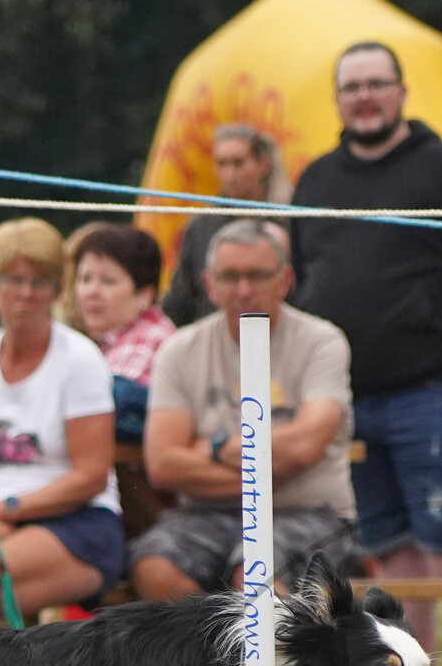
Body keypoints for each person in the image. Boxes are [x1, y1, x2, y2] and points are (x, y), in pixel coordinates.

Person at [288, 40, 442, 666]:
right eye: (350, 86)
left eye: (376, 84)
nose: (364, 97)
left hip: (433, 387)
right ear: (337, 101)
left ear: (401, 91)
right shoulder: (316, 180)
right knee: (389, 547)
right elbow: (304, 271)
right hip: (350, 399)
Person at [130, 220, 356, 599]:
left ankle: (284, 657)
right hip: (205, 514)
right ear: (208, 283)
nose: (244, 290)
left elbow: (306, 445)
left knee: (255, 573)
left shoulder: (323, 342)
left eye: (257, 276)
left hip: (306, 511)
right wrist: (269, 467)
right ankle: (216, 656)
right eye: (230, 276)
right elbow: (163, 463)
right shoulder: (180, 350)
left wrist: (215, 447)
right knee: (154, 566)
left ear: (285, 280)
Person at [0, 220, 125, 624]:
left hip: (76, 519)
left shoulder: (79, 359)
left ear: (57, 289)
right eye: (14, 280)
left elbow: (91, 476)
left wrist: (5, 506)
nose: (26, 294)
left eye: (41, 282)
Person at [161, 123, 285, 327]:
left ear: (263, 164)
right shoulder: (201, 225)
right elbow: (181, 300)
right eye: (222, 164)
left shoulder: (288, 221)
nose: (229, 174)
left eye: (238, 163)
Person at [67, 224, 173, 445]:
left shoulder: (152, 337)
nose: (91, 292)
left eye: (108, 281)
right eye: (85, 279)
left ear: (144, 295)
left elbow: (108, 411)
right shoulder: (104, 341)